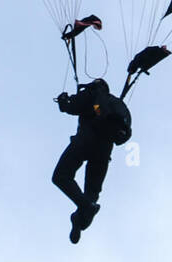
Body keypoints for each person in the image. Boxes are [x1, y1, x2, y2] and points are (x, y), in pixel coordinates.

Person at [52, 78, 131, 244]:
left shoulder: (94, 96)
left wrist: (63, 101)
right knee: (92, 194)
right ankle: (80, 220)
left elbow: (71, 106)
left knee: (61, 176)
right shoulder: (118, 105)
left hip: (86, 139)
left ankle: (85, 207)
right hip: (104, 151)